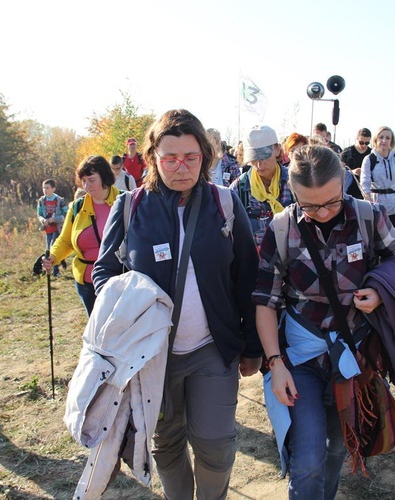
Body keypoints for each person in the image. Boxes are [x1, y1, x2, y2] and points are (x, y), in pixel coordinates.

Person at [93, 109, 262, 499]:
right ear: (153, 157)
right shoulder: (130, 207)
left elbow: (247, 280)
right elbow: (103, 273)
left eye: (190, 156)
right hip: (151, 357)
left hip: (212, 349)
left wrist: (252, 346)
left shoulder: (226, 203)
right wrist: (122, 309)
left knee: (215, 443)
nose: (180, 166)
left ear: (205, 156)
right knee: (165, 444)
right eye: (170, 157)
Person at [253, 145, 395, 499]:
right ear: (293, 193)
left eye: (332, 202)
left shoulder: (370, 217)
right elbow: (265, 301)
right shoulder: (280, 230)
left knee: (339, 447)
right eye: (309, 205)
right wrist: (275, 363)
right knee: (307, 458)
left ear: (344, 182)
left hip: (353, 356)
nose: (322, 213)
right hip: (299, 358)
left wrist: (381, 292)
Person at [43, 155, 120, 316]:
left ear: (104, 177)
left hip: (119, 279)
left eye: (91, 180)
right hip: (87, 281)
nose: (87, 186)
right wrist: (53, 257)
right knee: (96, 332)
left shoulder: (126, 201)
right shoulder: (77, 207)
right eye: (83, 181)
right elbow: (65, 240)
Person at [230, 125, 293, 247]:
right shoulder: (237, 189)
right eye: (254, 158)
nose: (259, 164)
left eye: (265, 156)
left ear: (277, 149)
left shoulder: (295, 183)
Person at [360, 126, 395, 233]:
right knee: (377, 240)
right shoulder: (369, 159)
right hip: (377, 206)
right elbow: (364, 184)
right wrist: (369, 203)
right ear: (376, 140)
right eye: (381, 137)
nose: (384, 141)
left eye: (388, 138)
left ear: (391, 141)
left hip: (394, 207)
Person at [37, 179, 68, 277]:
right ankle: (59, 262)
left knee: (52, 248)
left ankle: (55, 270)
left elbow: (65, 214)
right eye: (43, 188)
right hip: (48, 229)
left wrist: (54, 219)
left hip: (57, 228)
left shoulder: (59, 200)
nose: (45, 190)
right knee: (48, 248)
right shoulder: (42, 201)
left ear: (53, 189)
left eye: (47, 188)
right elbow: (39, 214)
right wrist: (43, 220)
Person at [340, 128, 373, 199]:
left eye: (367, 143)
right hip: (349, 191)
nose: (364, 145)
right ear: (356, 139)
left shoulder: (372, 154)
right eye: (361, 142)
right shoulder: (347, 152)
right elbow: (339, 170)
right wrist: (352, 172)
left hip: (366, 192)